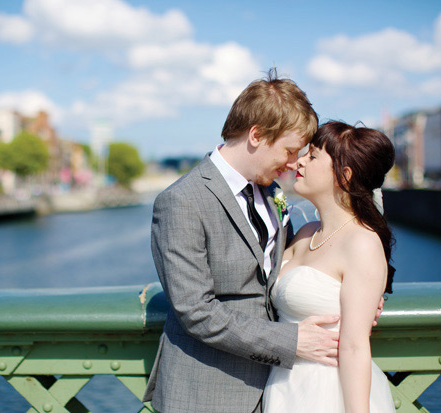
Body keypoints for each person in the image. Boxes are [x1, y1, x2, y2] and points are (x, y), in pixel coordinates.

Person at [142, 69, 342, 413]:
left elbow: (289, 268)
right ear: (257, 135)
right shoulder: (181, 201)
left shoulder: (273, 193)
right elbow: (197, 312)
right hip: (205, 394)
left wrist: (348, 295)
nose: (294, 164)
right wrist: (291, 341)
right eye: (290, 150)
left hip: (277, 389)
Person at [263, 121, 396, 412]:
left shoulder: (362, 243)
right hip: (283, 387)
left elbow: (354, 346)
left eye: (312, 156)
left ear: (343, 176)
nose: (299, 161)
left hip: (325, 391)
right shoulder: (304, 232)